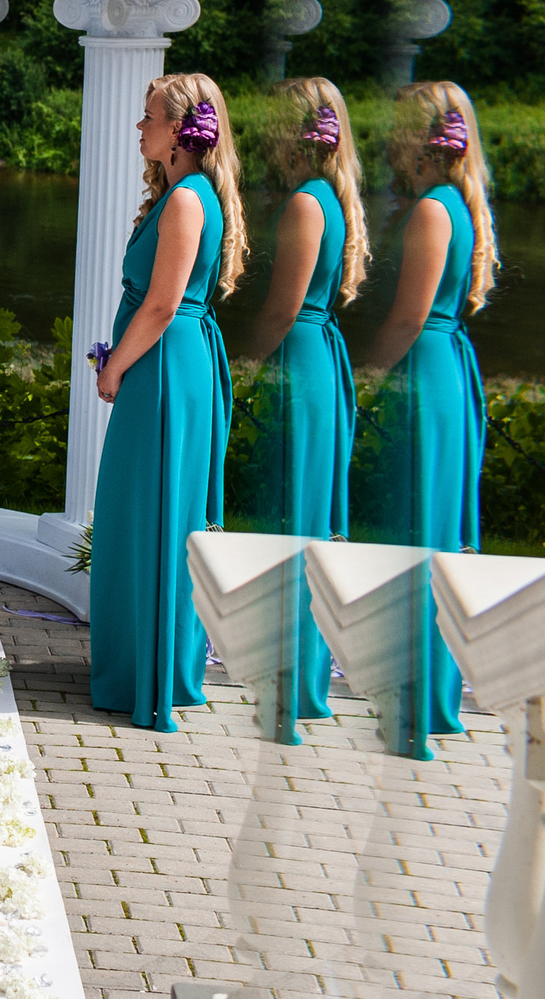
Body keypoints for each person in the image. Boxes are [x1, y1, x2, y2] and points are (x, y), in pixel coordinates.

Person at [87, 73, 244, 732]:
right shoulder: (182, 193)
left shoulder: (187, 201)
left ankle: (149, 673)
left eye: (148, 116)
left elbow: (162, 303)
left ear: (182, 131)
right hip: (168, 363)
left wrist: (114, 365)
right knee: (142, 513)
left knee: (153, 515)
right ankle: (143, 662)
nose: (139, 127)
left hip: (164, 369)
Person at [232, 78, 366, 728]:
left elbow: (284, 307)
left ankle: (291, 672)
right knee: (302, 514)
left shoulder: (307, 204)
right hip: (318, 355)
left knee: (294, 515)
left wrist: (248, 361)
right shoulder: (330, 199)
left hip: (303, 362)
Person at [365, 79, 496, 739]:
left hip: (426, 373)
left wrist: (367, 378)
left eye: (399, 124)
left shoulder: (431, 210)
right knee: (430, 528)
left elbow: (409, 316)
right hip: (447, 371)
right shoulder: (455, 203)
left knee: (417, 527)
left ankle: (414, 687)